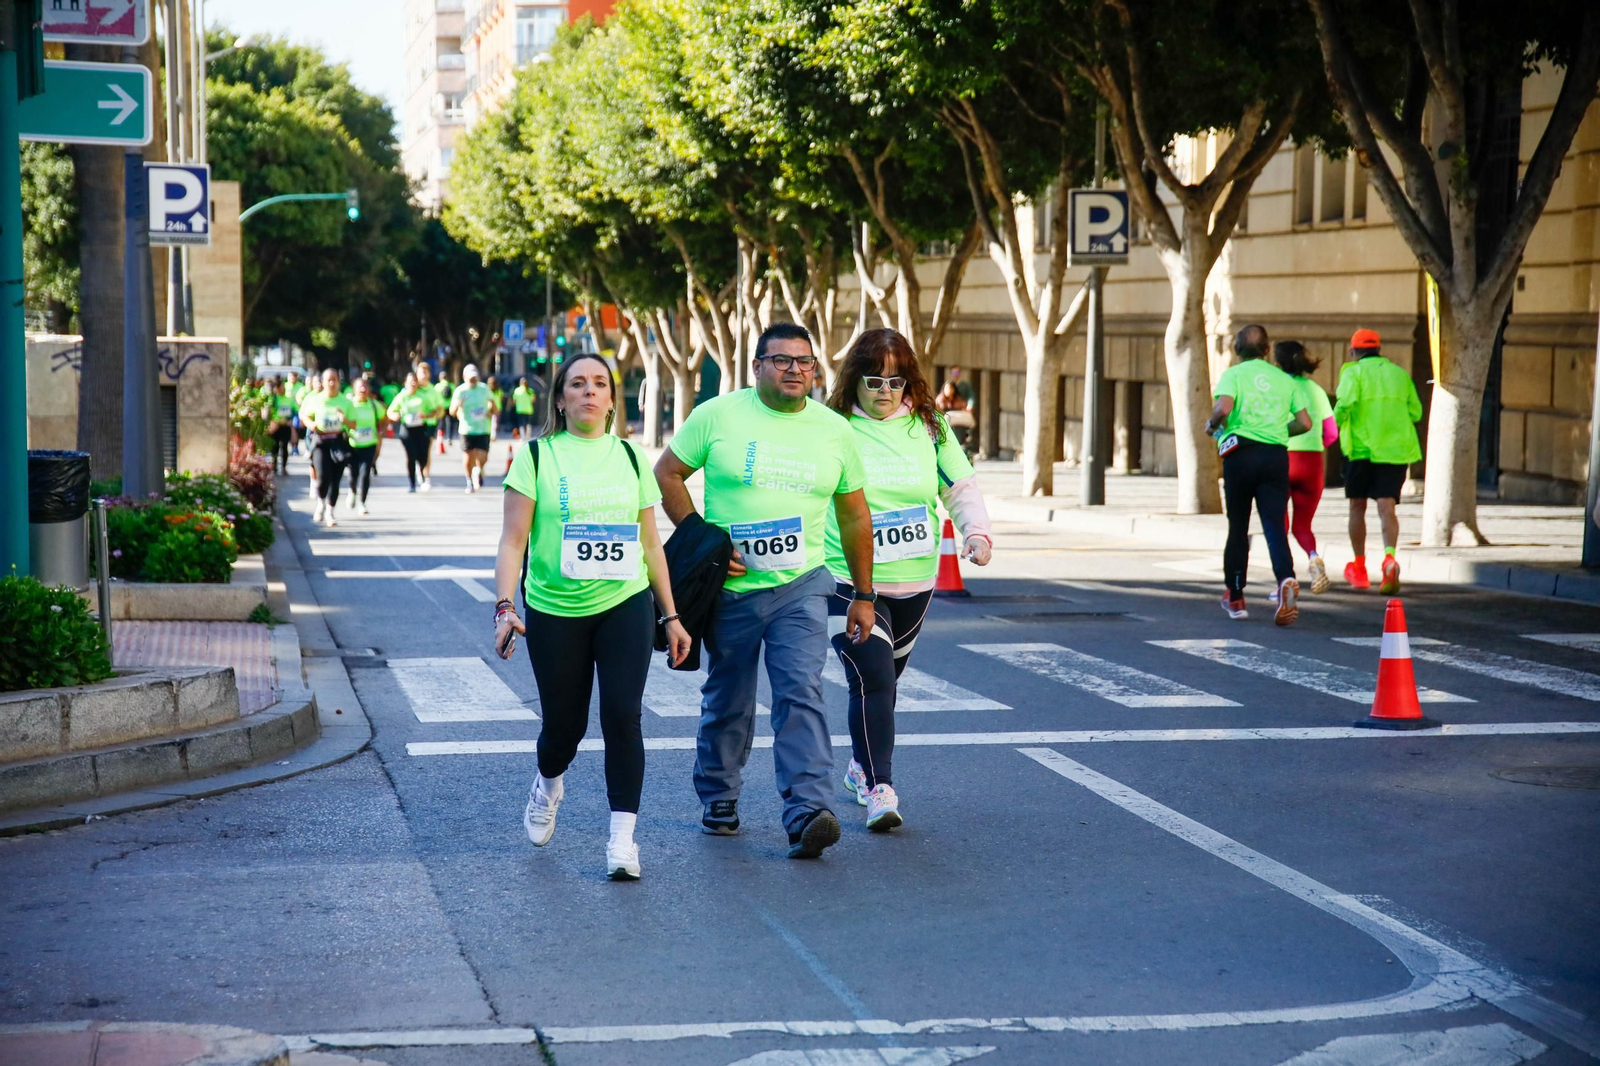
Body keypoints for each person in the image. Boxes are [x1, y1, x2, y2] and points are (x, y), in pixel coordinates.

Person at [655, 322, 877, 860]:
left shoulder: (833, 430)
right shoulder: (718, 415)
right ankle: (719, 795)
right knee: (729, 698)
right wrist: (703, 538)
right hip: (731, 591)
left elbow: (854, 515)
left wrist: (865, 595)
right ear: (757, 366)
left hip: (801, 586)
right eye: (781, 360)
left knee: (801, 691)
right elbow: (667, 474)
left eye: (804, 362)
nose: (794, 369)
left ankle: (808, 811)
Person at [493, 351, 692, 881]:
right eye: (577, 384)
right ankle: (549, 781)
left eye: (599, 384)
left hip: (624, 604)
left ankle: (622, 840)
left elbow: (651, 543)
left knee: (623, 716)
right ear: (560, 399)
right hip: (555, 609)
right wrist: (505, 606)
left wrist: (670, 615)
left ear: (610, 399)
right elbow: (513, 542)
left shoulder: (629, 457)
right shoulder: (536, 457)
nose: (589, 392)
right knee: (565, 727)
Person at [824, 328, 993, 831]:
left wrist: (976, 532)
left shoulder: (930, 424)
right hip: (845, 578)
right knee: (873, 677)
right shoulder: (831, 427)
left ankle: (860, 765)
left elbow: (959, 486)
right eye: (874, 380)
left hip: (915, 579)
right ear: (854, 380)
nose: (884, 391)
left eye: (895, 382)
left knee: (882, 686)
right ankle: (880, 788)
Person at [1204, 324, 1312, 625]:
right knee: (1275, 525)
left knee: (1238, 526)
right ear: (1267, 350)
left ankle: (1236, 597)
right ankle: (1285, 580)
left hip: (1241, 455)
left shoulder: (1233, 375)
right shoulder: (1283, 379)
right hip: (1275, 456)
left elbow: (1224, 408)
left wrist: (1212, 425)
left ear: (1237, 351)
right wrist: (1277, 430)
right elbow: (1305, 423)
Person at [1334, 328, 1422, 594]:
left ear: (1353, 351)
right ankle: (1389, 559)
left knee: (1357, 508)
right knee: (1387, 509)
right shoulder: (1399, 374)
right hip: (1394, 450)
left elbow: (1345, 403)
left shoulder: (1352, 372)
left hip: (1360, 450)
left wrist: (1332, 426)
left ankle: (1359, 568)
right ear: (1378, 349)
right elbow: (1416, 412)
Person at [1277, 341, 1339, 594]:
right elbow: (1332, 433)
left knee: (1277, 526)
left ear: (1278, 363)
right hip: (1312, 463)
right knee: (1302, 526)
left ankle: (1283, 581)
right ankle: (1313, 557)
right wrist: (1317, 445)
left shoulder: (1278, 388)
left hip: (1282, 458)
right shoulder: (1316, 389)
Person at [299, 369, 356, 528]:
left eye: (334, 380)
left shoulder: (345, 402)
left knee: (336, 479)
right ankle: (321, 503)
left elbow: (354, 424)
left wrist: (344, 420)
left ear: (339, 382)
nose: (331, 383)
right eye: (328, 380)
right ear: (323, 383)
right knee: (323, 477)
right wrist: (311, 424)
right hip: (321, 442)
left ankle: (330, 511)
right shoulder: (316, 400)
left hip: (338, 442)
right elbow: (304, 415)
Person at [451, 364, 499, 493]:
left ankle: (478, 470)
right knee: (468, 456)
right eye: (470, 378)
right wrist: (458, 406)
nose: (473, 380)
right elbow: (452, 411)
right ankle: (469, 481)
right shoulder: (460, 391)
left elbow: (494, 406)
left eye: (475, 377)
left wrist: (491, 411)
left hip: (483, 428)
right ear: (464, 377)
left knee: (483, 456)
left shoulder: (484, 389)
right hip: (467, 428)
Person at [344, 376, 386, 516]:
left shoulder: (374, 405)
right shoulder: (349, 405)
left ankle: (362, 502)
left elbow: (384, 417)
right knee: (353, 473)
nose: (363, 389)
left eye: (365, 386)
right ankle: (352, 490)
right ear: (354, 389)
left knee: (365, 472)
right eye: (360, 387)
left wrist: (381, 431)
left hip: (369, 444)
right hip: (352, 445)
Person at [388, 373, 435, 493]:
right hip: (407, 430)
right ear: (405, 384)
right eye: (410, 382)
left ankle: (422, 473)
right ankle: (412, 484)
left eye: (415, 381)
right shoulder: (401, 397)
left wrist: (426, 415)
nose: (413, 384)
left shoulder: (423, 396)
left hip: (421, 428)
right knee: (411, 456)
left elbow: (434, 411)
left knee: (423, 455)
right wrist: (395, 416)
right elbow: (390, 412)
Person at [414, 362, 447, 488]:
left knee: (426, 450)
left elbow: (441, 409)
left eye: (425, 372)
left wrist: (433, 413)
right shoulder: (412, 389)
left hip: (429, 424)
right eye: (420, 372)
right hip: (413, 425)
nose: (422, 375)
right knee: (415, 450)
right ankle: (418, 466)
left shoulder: (434, 391)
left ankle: (426, 475)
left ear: (429, 374)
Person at [262, 380, 296, 475]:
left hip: (285, 426)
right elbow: (267, 412)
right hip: (275, 426)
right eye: (281, 387)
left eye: (284, 387)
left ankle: (284, 467)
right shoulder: (273, 400)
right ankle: (274, 465)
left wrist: (289, 419)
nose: (283, 389)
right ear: (276, 389)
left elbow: (294, 411)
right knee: (275, 446)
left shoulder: (289, 399)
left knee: (284, 446)